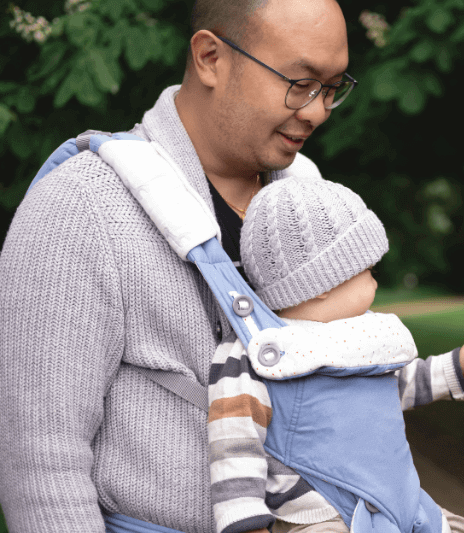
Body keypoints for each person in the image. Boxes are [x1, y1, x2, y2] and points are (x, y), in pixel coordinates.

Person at [0, 0, 355, 531]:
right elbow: (41, 463)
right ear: (211, 57)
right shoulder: (81, 208)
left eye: (331, 87)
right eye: (300, 82)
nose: (317, 111)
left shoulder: (308, 198)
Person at [209, 176, 464, 533]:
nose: (376, 281)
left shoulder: (362, 334)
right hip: (320, 512)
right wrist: (245, 519)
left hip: (398, 498)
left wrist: (455, 366)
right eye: (367, 270)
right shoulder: (258, 350)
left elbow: (392, 387)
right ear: (320, 283)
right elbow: (234, 440)